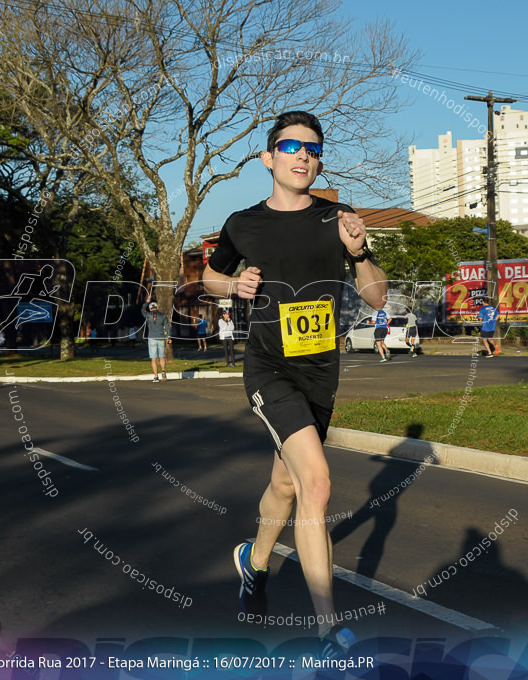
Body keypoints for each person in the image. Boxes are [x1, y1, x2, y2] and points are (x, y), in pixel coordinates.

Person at [201, 111, 388, 657]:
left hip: (320, 370)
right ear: (269, 158)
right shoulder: (243, 223)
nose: (302, 155)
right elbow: (211, 276)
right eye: (290, 146)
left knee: (286, 484)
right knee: (317, 481)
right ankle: (330, 629)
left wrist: (360, 253)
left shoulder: (340, 219)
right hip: (268, 367)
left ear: (319, 160)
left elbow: (376, 297)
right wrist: (233, 283)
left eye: (312, 148)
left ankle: (253, 564)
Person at [141, 301, 172, 382]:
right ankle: (163, 371)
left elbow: (142, 310)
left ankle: (156, 376)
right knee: (162, 356)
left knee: (153, 358)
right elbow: (167, 327)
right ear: (157, 308)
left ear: (150, 309)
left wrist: (146, 303)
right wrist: (169, 337)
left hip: (152, 338)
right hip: (161, 338)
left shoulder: (148, 315)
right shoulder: (163, 316)